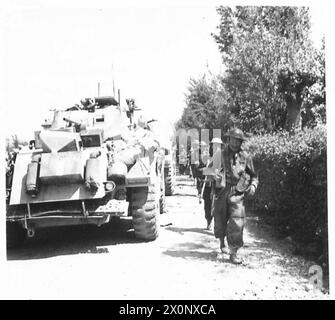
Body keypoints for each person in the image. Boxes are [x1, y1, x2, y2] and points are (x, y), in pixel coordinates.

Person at [211, 128, 258, 264]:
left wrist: (253, 186)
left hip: (237, 192)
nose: (235, 143)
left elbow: (254, 176)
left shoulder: (246, 157)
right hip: (222, 190)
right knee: (220, 221)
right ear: (229, 139)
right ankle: (222, 242)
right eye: (233, 140)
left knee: (237, 221)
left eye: (238, 141)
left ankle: (233, 252)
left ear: (241, 142)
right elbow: (208, 170)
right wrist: (214, 175)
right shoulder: (219, 154)